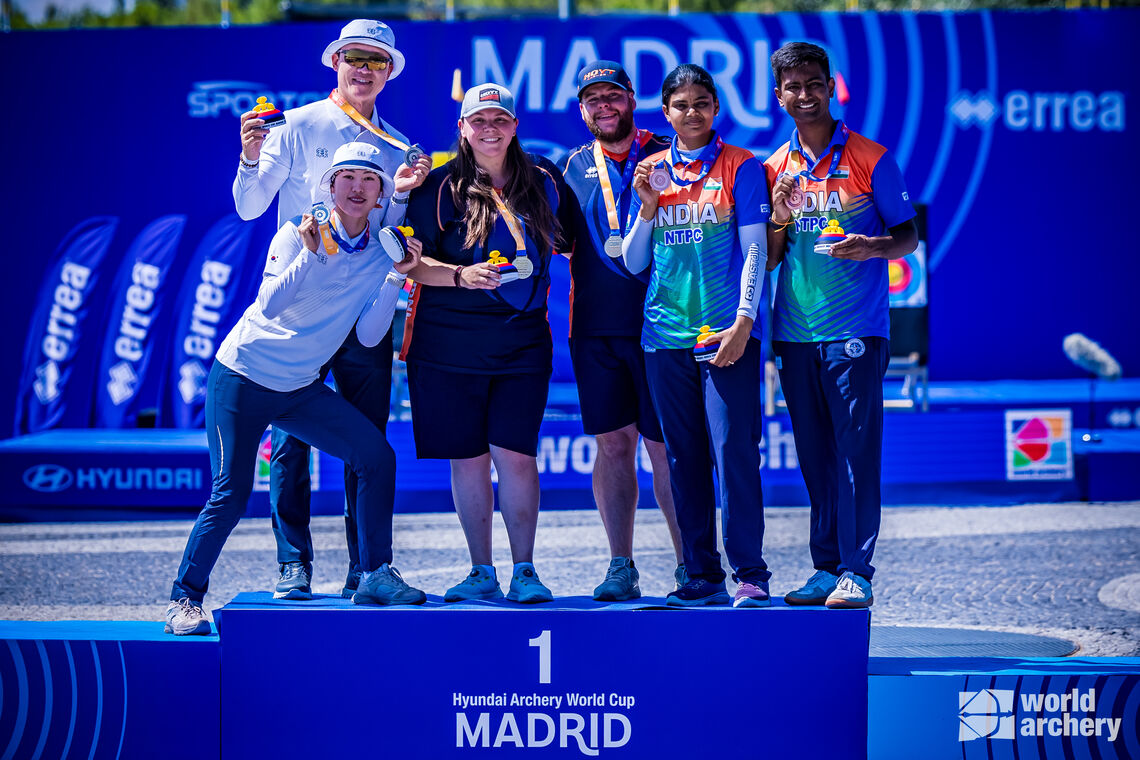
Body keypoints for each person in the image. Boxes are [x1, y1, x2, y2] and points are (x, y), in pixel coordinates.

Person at [166, 143, 427, 635]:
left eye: (369, 180)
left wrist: (396, 275)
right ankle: (185, 600)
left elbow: (370, 336)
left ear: (380, 196)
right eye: (345, 177)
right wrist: (308, 256)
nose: (356, 187)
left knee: (375, 456)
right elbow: (268, 307)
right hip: (242, 377)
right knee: (232, 494)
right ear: (329, 187)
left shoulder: (378, 251)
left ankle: (373, 573)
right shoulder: (294, 234)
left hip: (298, 389)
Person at [233, 19, 433, 601]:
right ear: (335, 63)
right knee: (291, 443)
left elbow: (390, 242)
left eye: (376, 59)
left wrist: (398, 194)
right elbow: (249, 208)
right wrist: (250, 158)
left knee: (365, 441)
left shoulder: (400, 147)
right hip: (297, 317)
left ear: (389, 71)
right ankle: (293, 564)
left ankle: (366, 568)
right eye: (354, 57)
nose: (364, 68)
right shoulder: (293, 126)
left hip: (358, 315)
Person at [401, 84, 575, 604]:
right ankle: (482, 571)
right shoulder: (435, 187)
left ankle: (525, 570)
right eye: (479, 121)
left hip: (521, 340)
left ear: (515, 125)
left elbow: (569, 242)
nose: (490, 129)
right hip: (448, 342)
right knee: (469, 458)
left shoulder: (543, 178)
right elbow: (411, 262)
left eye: (500, 119)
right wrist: (460, 275)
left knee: (516, 455)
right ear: (462, 129)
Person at [764, 42, 918, 609]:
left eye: (814, 84)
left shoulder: (873, 158)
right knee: (815, 456)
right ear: (777, 96)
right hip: (794, 331)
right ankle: (826, 569)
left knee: (856, 452)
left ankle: (858, 570)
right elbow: (772, 256)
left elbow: (908, 235)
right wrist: (778, 216)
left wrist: (870, 246)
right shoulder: (773, 169)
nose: (804, 95)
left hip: (856, 328)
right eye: (793, 87)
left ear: (832, 86)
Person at [622, 64, 772, 608]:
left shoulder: (742, 167)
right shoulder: (651, 169)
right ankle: (700, 575)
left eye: (702, 102)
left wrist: (744, 322)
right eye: (681, 105)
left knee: (734, 453)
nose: (692, 112)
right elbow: (636, 260)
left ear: (716, 108)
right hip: (664, 336)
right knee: (683, 458)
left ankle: (751, 574)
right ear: (665, 114)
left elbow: (755, 249)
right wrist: (646, 208)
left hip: (727, 334)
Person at [561, 61, 684, 601]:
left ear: (633, 101)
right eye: (593, 99)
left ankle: (693, 563)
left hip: (663, 327)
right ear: (582, 109)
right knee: (613, 446)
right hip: (596, 328)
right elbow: (560, 240)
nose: (604, 106)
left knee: (667, 449)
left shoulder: (670, 152)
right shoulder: (572, 166)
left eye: (613, 95)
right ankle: (620, 565)